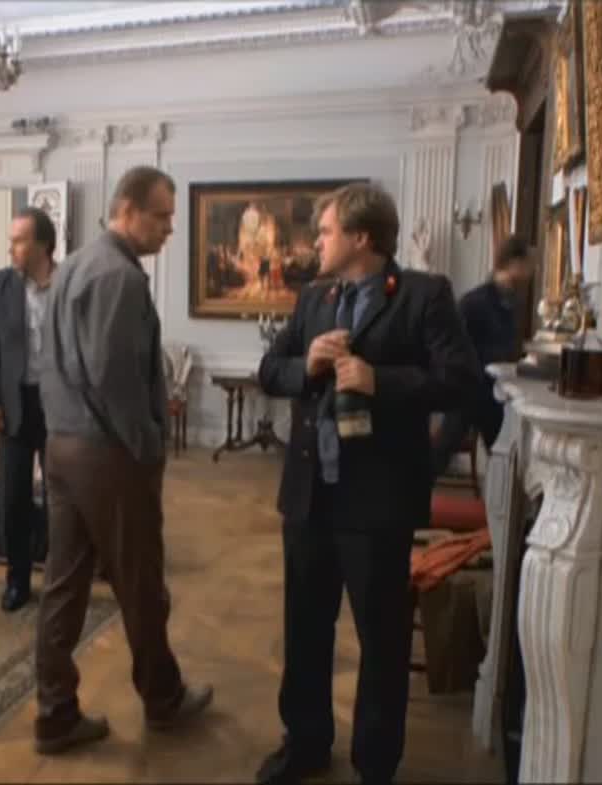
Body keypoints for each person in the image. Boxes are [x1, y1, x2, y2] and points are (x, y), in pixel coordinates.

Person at [254, 183, 478, 784]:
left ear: (361, 237)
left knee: (380, 642)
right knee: (305, 630)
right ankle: (305, 743)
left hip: (377, 503)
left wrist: (383, 381)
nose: (317, 242)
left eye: (326, 232)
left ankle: (375, 765)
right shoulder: (313, 298)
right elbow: (269, 370)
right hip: (309, 496)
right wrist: (308, 366)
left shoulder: (424, 295)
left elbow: (461, 381)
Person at [35, 165, 213, 755]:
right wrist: (147, 444)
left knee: (63, 586)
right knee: (142, 584)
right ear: (128, 210)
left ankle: (55, 713)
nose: (169, 229)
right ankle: (163, 700)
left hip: (63, 444)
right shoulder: (119, 276)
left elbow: (54, 363)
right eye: (161, 216)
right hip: (106, 453)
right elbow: (112, 377)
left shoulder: (71, 267)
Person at [0, 207, 59, 612]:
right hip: (13, 405)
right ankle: (17, 581)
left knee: (62, 501)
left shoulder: (68, 284)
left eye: (20, 241)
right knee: (13, 500)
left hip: (59, 406)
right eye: (11, 240)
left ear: (43, 244)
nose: (11, 248)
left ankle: (60, 580)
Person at [430, 234, 534, 476]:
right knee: (441, 453)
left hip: (493, 392)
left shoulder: (511, 301)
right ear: (513, 262)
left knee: (503, 455)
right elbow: (452, 346)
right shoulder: (474, 302)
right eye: (527, 263)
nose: (531, 271)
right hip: (469, 390)